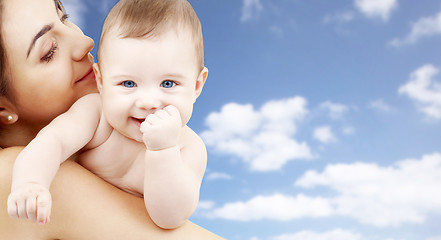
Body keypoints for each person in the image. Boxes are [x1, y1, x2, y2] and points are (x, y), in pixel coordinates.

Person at [0, 0, 222, 238]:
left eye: (168, 83)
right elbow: (52, 141)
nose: (147, 101)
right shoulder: (95, 115)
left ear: (197, 85)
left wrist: (163, 152)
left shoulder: (188, 147)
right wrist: (31, 182)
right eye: (49, 51)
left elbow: (170, 218)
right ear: (101, 79)